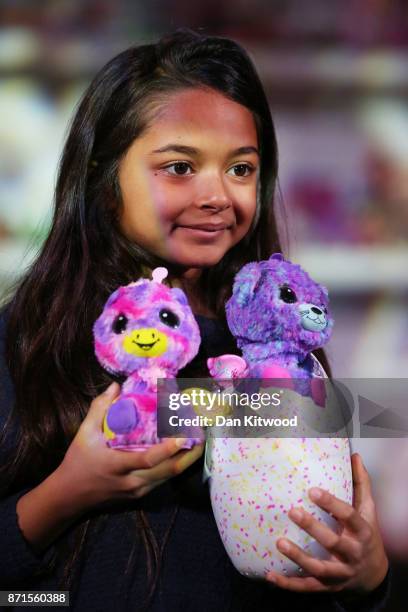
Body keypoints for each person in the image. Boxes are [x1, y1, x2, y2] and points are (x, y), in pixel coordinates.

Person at [0, 29, 391, 611]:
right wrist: (67, 492)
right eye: (180, 168)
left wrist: (369, 579)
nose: (217, 195)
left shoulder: (277, 348)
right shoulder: (30, 338)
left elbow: (321, 546)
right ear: (105, 181)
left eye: (241, 169)